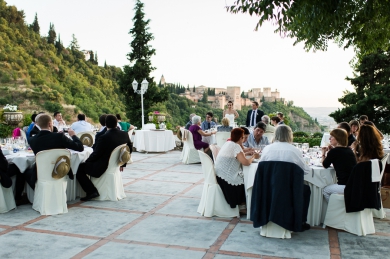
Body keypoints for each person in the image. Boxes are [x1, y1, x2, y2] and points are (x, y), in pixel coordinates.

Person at [259, 125, 311, 230]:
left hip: (268, 188)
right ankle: (300, 221)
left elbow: (261, 168)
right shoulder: (294, 151)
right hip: (288, 189)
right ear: (289, 135)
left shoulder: (267, 149)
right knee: (306, 190)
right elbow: (306, 170)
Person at [76, 114, 133, 201]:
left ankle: (92, 191)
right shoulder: (124, 134)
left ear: (105, 124)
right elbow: (129, 149)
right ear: (117, 123)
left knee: (80, 168)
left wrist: (87, 161)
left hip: (103, 166)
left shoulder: (104, 137)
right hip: (115, 164)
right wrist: (123, 163)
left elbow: (96, 154)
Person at [215, 128, 260, 211]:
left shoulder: (229, 143)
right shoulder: (236, 146)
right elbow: (246, 162)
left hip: (219, 174)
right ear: (240, 138)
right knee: (245, 180)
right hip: (227, 178)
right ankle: (242, 207)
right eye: (243, 137)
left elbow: (235, 156)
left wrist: (246, 153)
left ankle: (242, 205)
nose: (244, 139)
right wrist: (254, 156)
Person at [321, 129, 357, 202]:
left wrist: (323, 153)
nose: (329, 138)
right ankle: (341, 207)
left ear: (337, 138)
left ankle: (334, 208)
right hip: (355, 184)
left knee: (325, 191)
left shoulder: (334, 151)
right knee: (333, 191)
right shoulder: (349, 150)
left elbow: (325, 165)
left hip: (345, 186)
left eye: (331, 137)